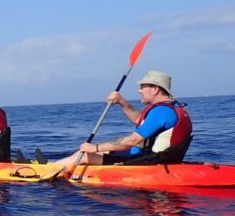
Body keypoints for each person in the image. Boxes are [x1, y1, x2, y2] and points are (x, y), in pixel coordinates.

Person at [55, 70, 193, 166]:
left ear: (155, 89)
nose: (139, 90)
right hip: (152, 158)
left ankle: (49, 170)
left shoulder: (161, 112)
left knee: (85, 155)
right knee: (100, 151)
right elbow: (140, 121)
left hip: (147, 162)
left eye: (142, 87)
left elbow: (132, 140)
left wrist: (95, 147)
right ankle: (55, 165)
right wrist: (122, 102)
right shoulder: (170, 108)